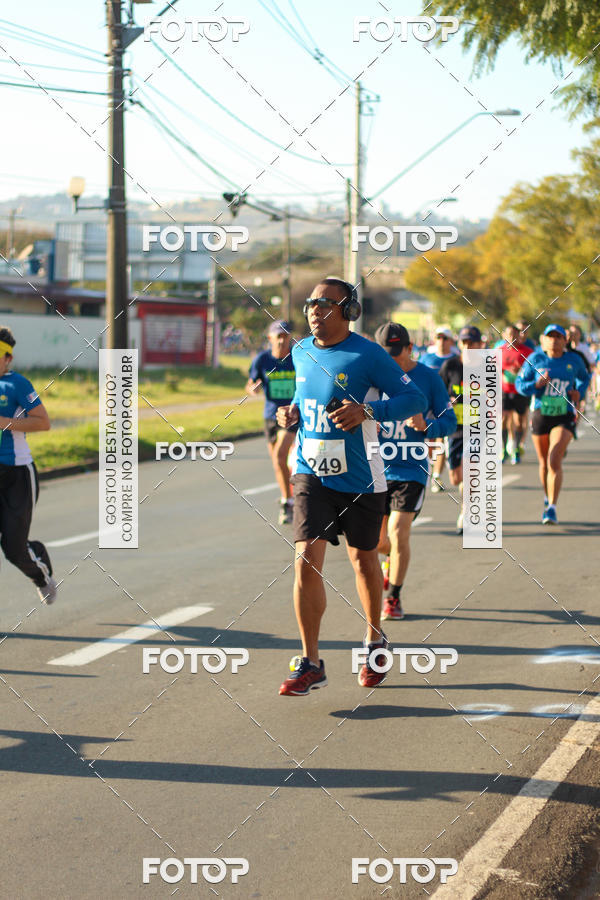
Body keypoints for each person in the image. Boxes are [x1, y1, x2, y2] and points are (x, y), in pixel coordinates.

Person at [276, 278, 426, 695]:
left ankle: (375, 638)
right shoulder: (301, 351)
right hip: (311, 472)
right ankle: (310, 662)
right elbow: (302, 401)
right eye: (310, 305)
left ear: (349, 311)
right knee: (305, 557)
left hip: (362, 476)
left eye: (324, 305)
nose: (314, 312)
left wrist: (367, 411)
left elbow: (413, 400)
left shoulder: (370, 354)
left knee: (364, 561)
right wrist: (289, 415)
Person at [374, 323, 457, 620]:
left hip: (411, 469)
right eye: (385, 355)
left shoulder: (428, 378)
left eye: (396, 354)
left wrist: (427, 427)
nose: (391, 361)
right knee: (377, 541)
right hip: (374, 468)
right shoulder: (371, 376)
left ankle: (393, 597)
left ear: (410, 349)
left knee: (398, 533)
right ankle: (389, 562)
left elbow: (450, 421)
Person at [0, 327, 57, 604]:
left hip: (17, 474)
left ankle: (41, 575)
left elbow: (43, 422)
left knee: (14, 549)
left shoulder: (17, 384)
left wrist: (4, 423)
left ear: (8, 358)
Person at [515, 324, 589, 524]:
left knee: (554, 458)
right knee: (543, 462)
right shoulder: (535, 359)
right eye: (550, 336)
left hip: (564, 414)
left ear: (565, 341)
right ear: (543, 340)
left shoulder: (573, 360)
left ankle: (551, 508)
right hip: (541, 413)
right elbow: (520, 385)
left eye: (558, 336)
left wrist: (578, 393)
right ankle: (547, 496)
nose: (554, 340)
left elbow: (584, 378)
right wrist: (536, 385)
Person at [247, 320, 297, 525]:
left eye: (285, 336)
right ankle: (288, 498)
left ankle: (290, 500)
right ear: (270, 338)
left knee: (280, 455)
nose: (282, 340)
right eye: (278, 336)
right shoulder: (262, 360)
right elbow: (251, 383)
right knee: (278, 462)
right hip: (270, 415)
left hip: (293, 415)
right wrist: (253, 389)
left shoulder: (298, 358)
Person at [439, 325, 484, 534]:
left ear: (479, 345)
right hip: (454, 428)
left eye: (471, 343)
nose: (467, 346)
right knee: (456, 478)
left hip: (476, 427)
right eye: (464, 342)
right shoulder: (451, 366)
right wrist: (445, 401)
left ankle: (465, 513)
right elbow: (437, 391)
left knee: (469, 472)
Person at [420, 326, 456, 493]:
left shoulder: (455, 361)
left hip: (445, 405)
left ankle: (436, 475)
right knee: (428, 441)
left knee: (441, 439)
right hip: (426, 405)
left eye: (445, 338)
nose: (441, 341)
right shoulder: (426, 358)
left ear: (451, 341)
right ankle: (428, 469)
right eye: (439, 338)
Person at [501, 324, 533, 464]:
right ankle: (504, 449)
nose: (512, 337)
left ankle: (517, 448)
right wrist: (503, 372)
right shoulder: (499, 351)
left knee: (519, 422)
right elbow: (490, 369)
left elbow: (533, 371)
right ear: (504, 335)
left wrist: (520, 371)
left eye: (514, 334)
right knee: (503, 419)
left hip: (520, 391)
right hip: (504, 390)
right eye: (509, 334)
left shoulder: (527, 352)